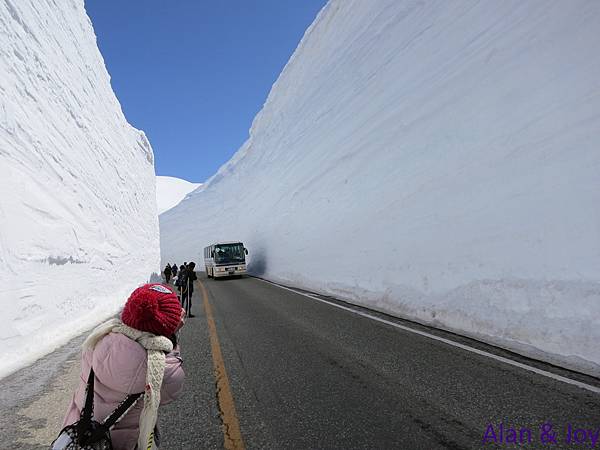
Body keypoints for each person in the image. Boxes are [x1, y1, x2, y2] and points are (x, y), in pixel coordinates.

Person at [62, 284, 185, 450]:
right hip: (122, 443)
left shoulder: (97, 339)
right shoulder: (164, 369)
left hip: (77, 433)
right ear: (168, 327)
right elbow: (171, 393)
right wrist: (173, 336)